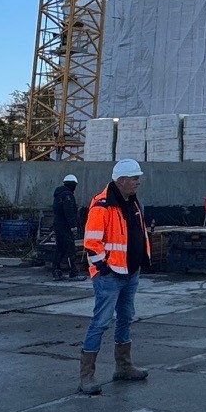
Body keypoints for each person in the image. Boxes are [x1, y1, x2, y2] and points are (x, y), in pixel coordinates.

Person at [78, 159, 153, 396]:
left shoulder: (132, 202)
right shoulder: (102, 205)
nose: (138, 182)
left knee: (126, 318)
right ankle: (86, 376)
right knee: (100, 322)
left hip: (130, 272)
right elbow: (91, 241)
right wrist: (103, 268)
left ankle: (123, 366)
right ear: (121, 181)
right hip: (110, 275)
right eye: (134, 178)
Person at [49, 173, 81, 280]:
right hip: (65, 227)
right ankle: (73, 273)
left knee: (60, 249)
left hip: (58, 226)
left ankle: (56, 272)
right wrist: (73, 225)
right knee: (70, 249)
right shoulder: (67, 196)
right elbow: (69, 212)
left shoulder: (58, 195)